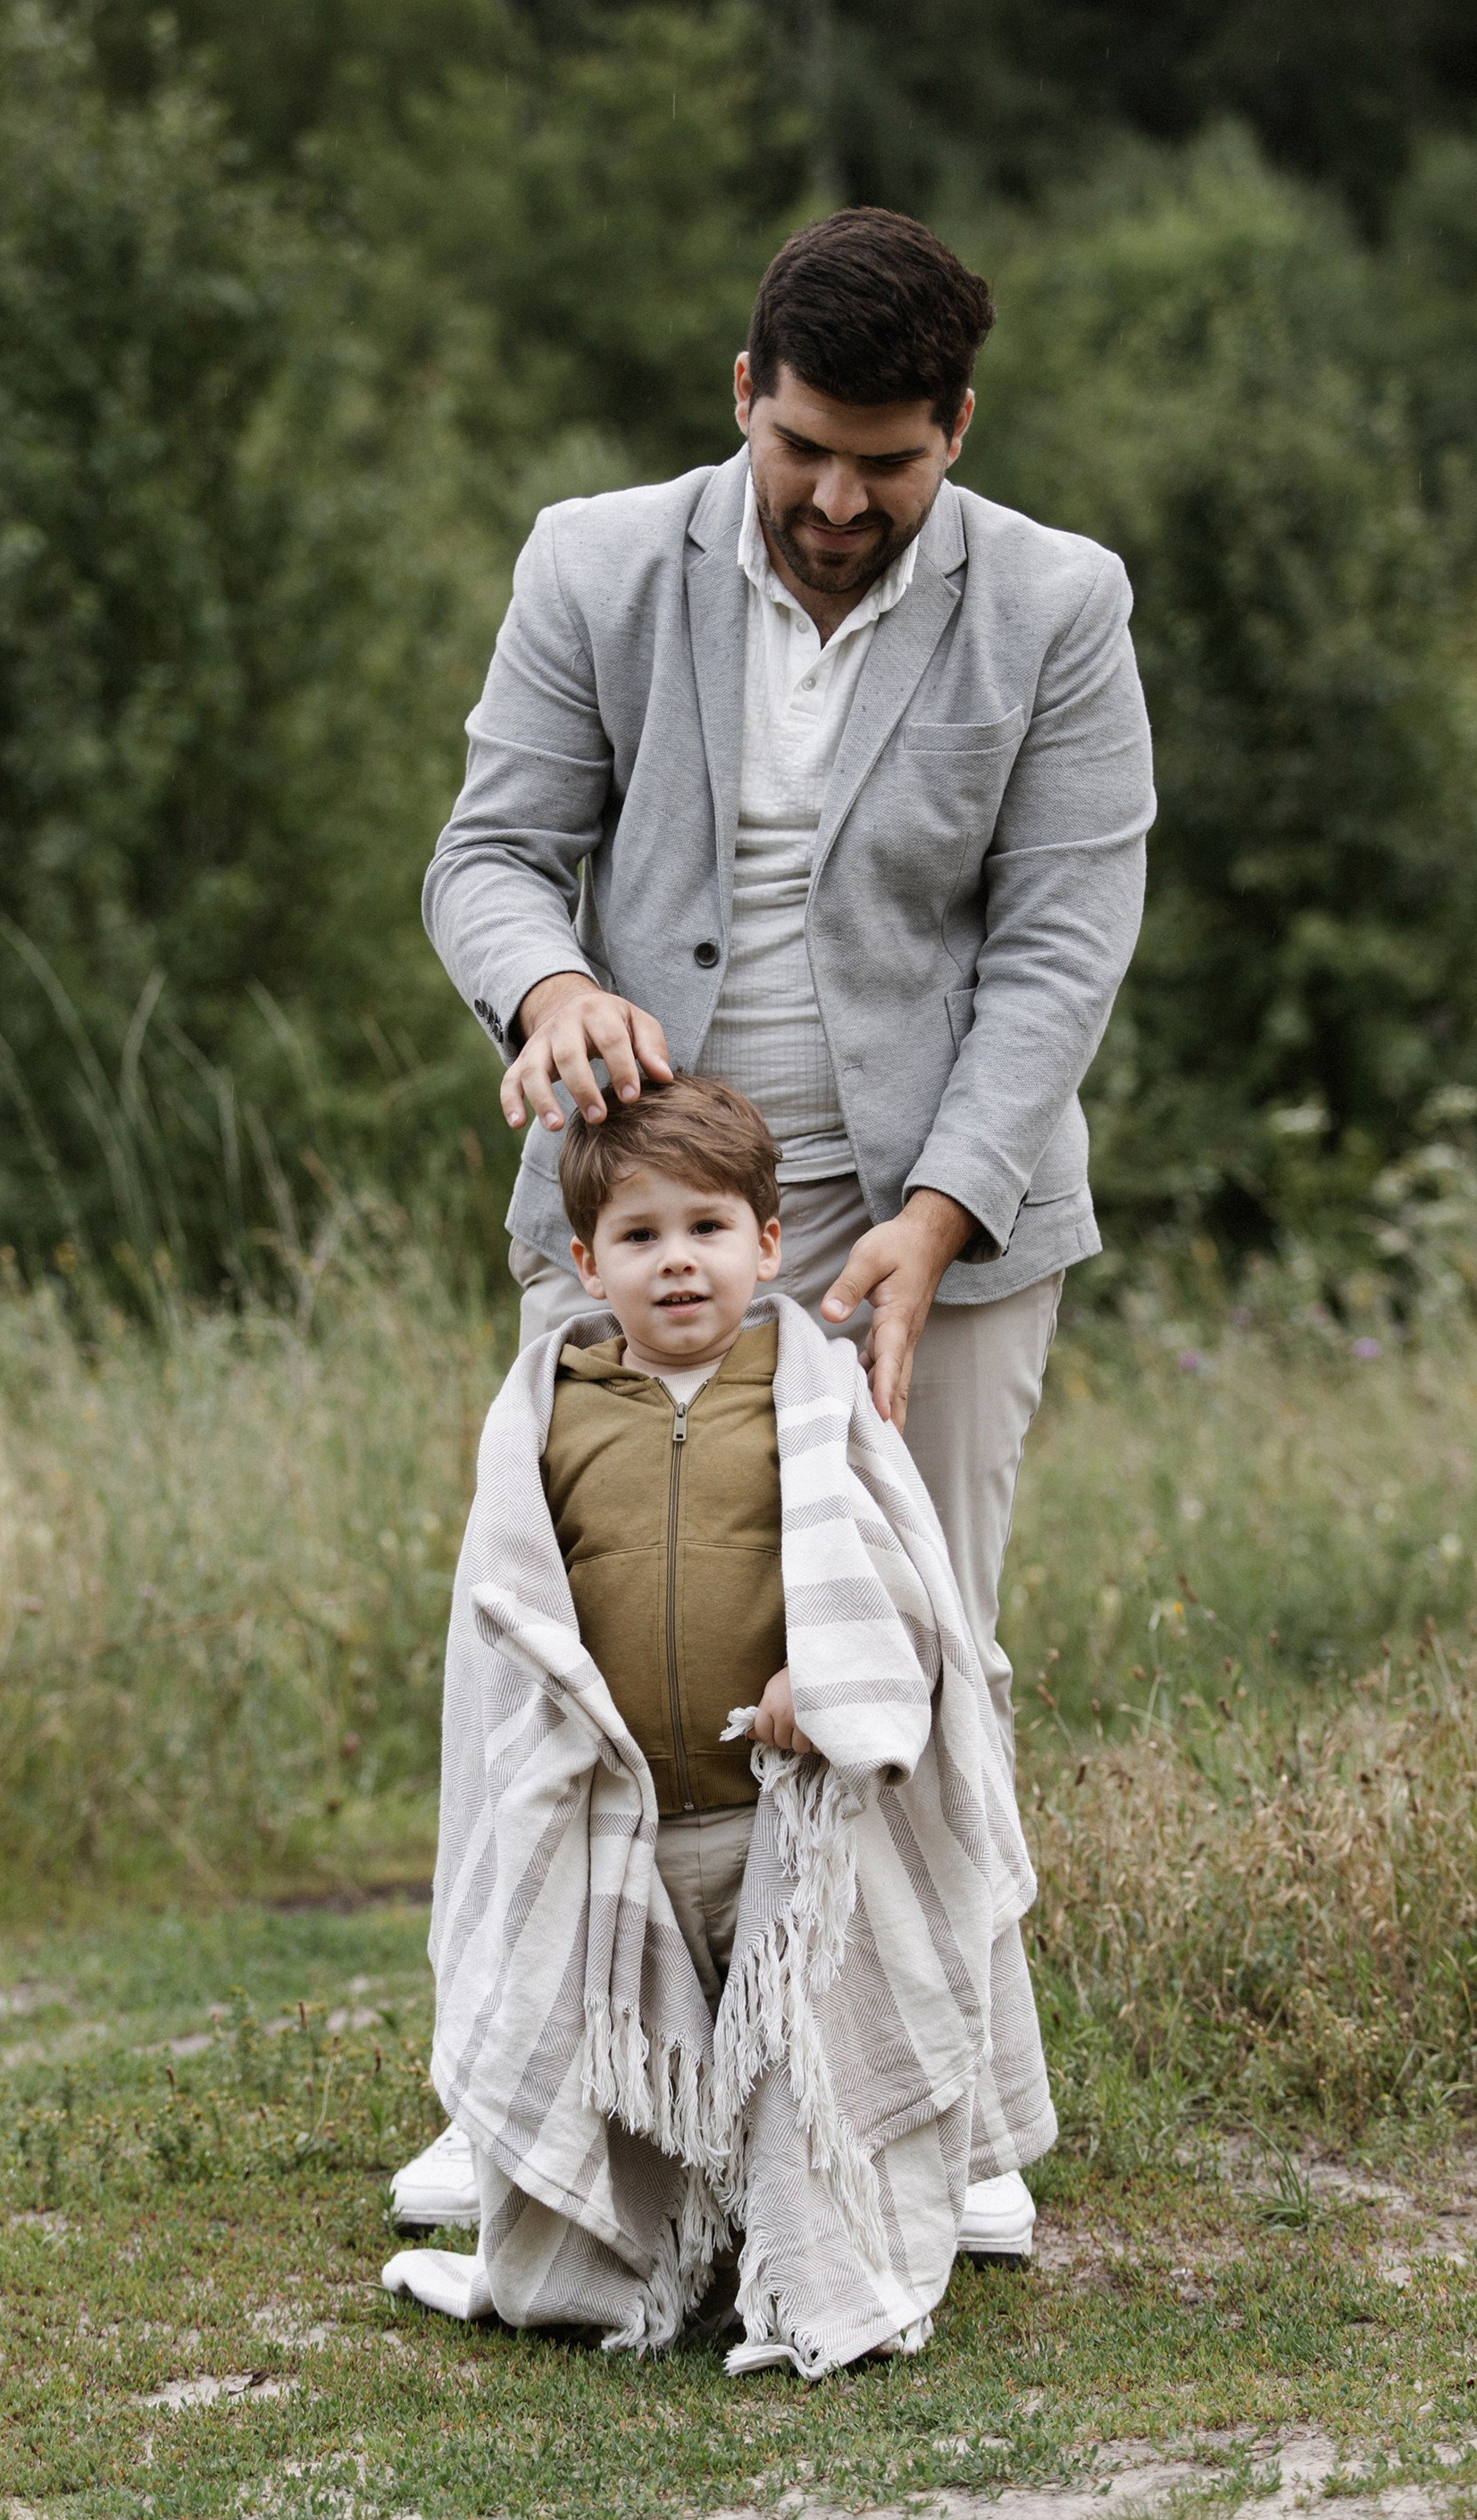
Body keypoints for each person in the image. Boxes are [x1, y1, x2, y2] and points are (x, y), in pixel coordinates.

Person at [400, 205, 1154, 2249]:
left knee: (915, 1644)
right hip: (638, 1211)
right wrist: (547, 991)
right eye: (803, 446)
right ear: (744, 395)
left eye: (887, 464)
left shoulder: (1059, 603)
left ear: (956, 432)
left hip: (936, 1223)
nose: (836, 501)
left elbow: (1062, 938)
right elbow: (490, 855)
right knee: (556, 1652)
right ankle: (521, 2101)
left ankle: (948, 2110)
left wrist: (929, 1216)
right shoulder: (588, 559)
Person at [384, 1077, 1040, 2373]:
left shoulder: (803, 1395)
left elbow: (893, 1571)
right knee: (620, 2053)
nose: (675, 1259)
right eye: (638, 1236)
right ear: (585, 1262)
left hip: (774, 1819)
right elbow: (510, 1603)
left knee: (803, 2061)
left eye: (706, 1228)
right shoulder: (556, 1412)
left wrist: (829, 1664)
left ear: (767, 1243)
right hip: (619, 1818)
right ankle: (601, 2262)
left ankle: (819, 2279)